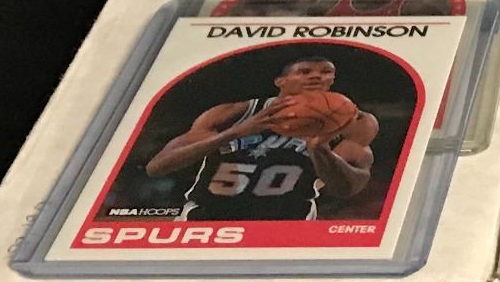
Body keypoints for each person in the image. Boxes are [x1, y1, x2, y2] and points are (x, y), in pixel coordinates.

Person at [144, 56, 377, 219]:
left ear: (332, 79)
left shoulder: (353, 122)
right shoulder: (235, 113)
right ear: (280, 81)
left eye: (326, 72)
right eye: (304, 71)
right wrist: (233, 133)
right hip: (207, 217)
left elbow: (348, 188)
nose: (316, 76)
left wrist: (320, 150)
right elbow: (157, 167)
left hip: (287, 221)